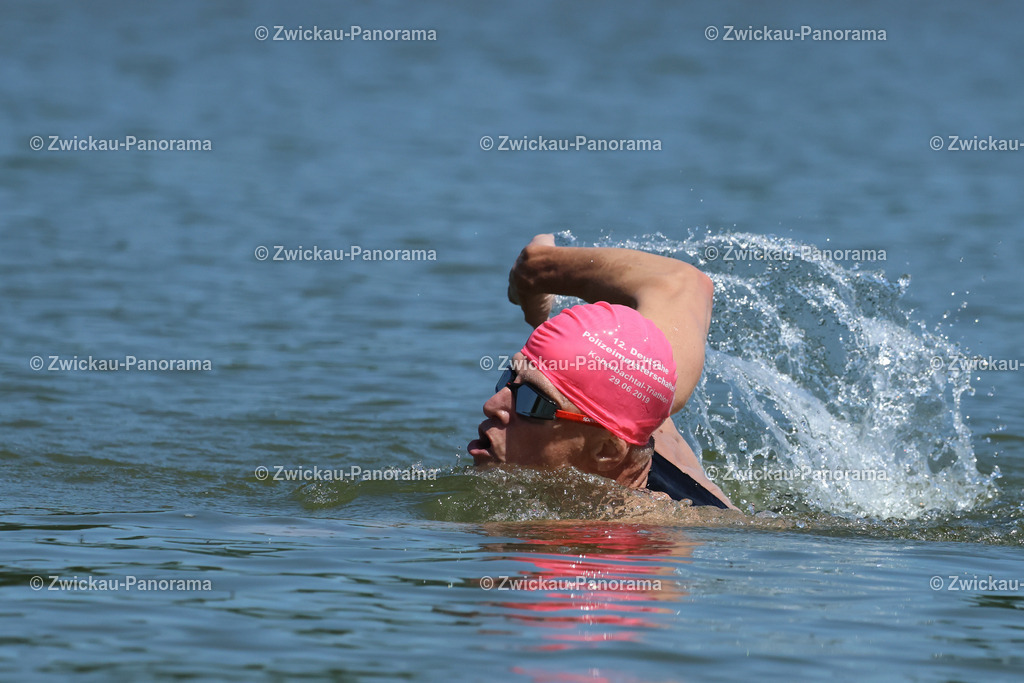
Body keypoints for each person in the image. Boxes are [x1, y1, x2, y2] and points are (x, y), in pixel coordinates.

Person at [468, 234, 735, 510]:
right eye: (509, 377)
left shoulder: (655, 530)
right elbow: (684, 283)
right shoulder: (645, 390)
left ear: (606, 450)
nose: (492, 405)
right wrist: (538, 271)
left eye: (533, 401)